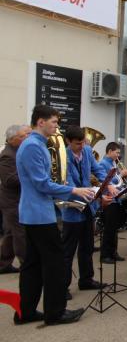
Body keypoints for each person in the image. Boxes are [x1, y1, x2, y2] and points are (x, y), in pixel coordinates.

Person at [16, 105, 94, 325]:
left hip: (35, 212)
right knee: (55, 263)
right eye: (54, 122)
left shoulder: (36, 144)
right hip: (39, 214)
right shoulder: (33, 146)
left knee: (32, 264)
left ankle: (26, 311)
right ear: (41, 122)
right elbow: (42, 183)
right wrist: (73, 190)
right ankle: (55, 312)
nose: (57, 127)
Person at [62, 126, 114, 300]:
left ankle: (86, 279)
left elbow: (97, 170)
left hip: (88, 207)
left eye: (84, 142)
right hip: (72, 207)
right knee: (68, 249)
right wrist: (96, 196)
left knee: (87, 245)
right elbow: (67, 183)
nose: (82, 145)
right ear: (68, 142)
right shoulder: (64, 156)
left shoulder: (86, 151)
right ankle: (62, 286)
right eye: (78, 143)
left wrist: (108, 184)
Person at [0, 125, 31, 274]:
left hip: (16, 200)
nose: (26, 138)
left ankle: (3, 264)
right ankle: (27, 264)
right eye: (22, 136)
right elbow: (9, 180)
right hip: (11, 201)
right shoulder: (7, 155)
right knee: (20, 233)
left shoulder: (17, 151)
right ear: (13, 139)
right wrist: (31, 175)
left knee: (10, 233)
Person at [98, 142, 127, 264]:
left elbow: (117, 183)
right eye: (116, 153)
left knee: (114, 228)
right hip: (109, 199)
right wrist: (121, 175)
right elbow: (106, 180)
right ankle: (105, 255)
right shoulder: (103, 164)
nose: (118, 155)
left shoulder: (113, 163)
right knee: (109, 228)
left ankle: (113, 252)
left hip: (116, 199)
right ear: (110, 151)